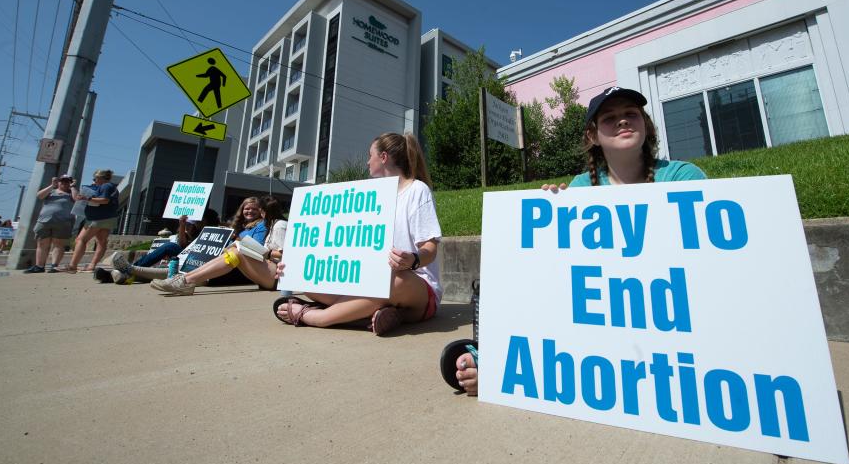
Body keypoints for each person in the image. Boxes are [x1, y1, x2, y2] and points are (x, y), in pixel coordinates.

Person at [453, 86, 706, 396]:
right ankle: (500, 362)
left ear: (645, 124)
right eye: (610, 118)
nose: (623, 121)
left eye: (631, 114)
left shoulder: (682, 178)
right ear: (593, 136)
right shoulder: (580, 189)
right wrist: (550, 216)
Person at [274, 132, 442, 337]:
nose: (367, 161)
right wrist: (293, 265)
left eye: (370, 155)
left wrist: (413, 259)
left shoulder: (417, 190)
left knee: (389, 279)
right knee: (305, 279)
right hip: (373, 280)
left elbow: (430, 249)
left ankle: (317, 316)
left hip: (415, 287)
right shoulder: (369, 196)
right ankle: (378, 314)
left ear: (384, 157)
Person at [149, 196, 285, 295]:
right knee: (232, 252)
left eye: (259, 209)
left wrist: (265, 252)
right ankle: (184, 279)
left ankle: (185, 281)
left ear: (264, 211)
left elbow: (287, 254)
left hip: (277, 277)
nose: (258, 213)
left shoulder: (279, 226)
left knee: (236, 252)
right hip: (268, 272)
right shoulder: (271, 225)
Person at [107, 209, 221, 284]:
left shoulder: (218, 231)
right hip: (188, 257)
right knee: (170, 249)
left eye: (200, 219)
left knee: (169, 248)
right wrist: (182, 226)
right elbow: (183, 246)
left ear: (206, 220)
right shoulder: (196, 230)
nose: (196, 222)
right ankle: (125, 272)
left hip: (201, 262)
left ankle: (124, 272)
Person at [67, 169, 119, 272]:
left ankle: (72, 266)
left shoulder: (105, 186)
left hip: (97, 218)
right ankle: (92, 265)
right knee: (101, 242)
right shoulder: (112, 187)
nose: (94, 181)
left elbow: (105, 200)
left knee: (80, 240)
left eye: (95, 178)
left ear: (101, 178)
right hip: (109, 218)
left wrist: (87, 198)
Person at [25, 175, 78, 273]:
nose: (64, 183)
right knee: (42, 243)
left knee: (58, 244)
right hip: (44, 220)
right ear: (58, 182)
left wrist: (73, 187)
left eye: (67, 181)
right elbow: (39, 195)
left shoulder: (71, 193)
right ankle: (39, 266)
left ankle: (54, 266)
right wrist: (52, 185)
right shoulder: (51, 192)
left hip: (63, 221)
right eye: (62, 181)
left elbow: (76, 199)